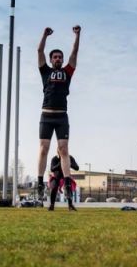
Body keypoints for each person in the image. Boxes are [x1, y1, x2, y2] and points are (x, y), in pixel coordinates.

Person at [36, 25, 81, 202]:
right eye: (55, 57)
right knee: (44, 149)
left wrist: (77, 35)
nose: (58, 59)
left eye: (60, 57)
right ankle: (40, 184)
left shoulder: (67, 72)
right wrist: (44, 35)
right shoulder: (45, 71)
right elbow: (39, 50)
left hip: (62, 115)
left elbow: (75, 53)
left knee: (63, 149)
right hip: (46, 115)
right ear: (51, 59)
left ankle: (68, 184)